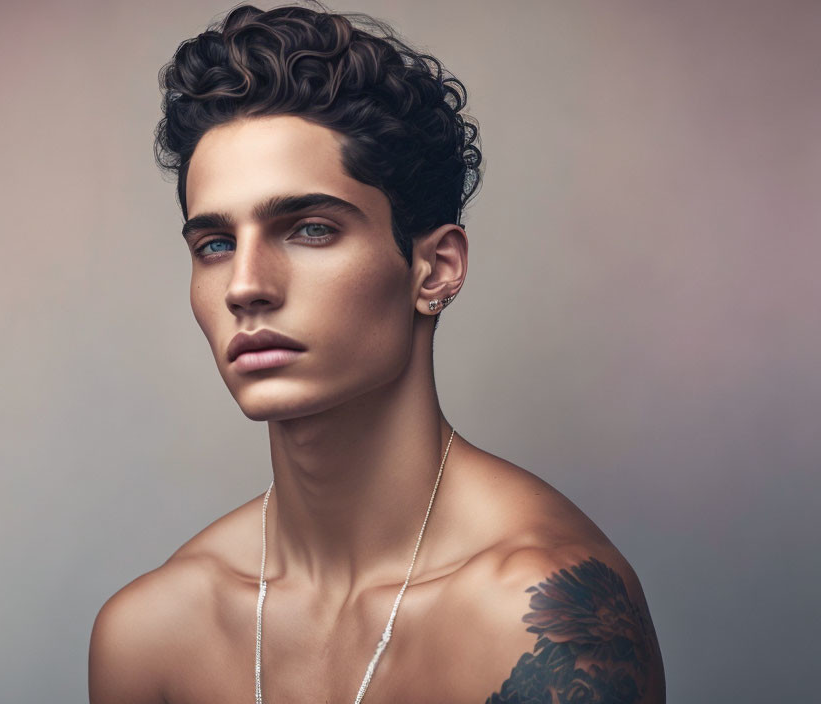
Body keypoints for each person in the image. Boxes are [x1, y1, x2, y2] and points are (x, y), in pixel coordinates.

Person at [88, 2, 666, 702]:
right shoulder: (152, 633)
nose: (245, 286)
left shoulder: (537, 611)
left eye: (309, 230)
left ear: (436, 268)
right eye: (214, 244)